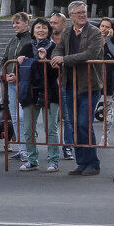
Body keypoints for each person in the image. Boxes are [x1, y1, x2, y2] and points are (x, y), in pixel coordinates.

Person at [50, 0, 104, 176]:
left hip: (89, 85)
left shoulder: (94, 32)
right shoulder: (67, 32)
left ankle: (93, 163)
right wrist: (57, 57)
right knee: (74, 125)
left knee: (83, 124)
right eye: (78, 12)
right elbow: (57, 50)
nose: (82, 15)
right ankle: (81, 163)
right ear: (71, 16)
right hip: (69, 85)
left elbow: (90, 54)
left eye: (84, 12)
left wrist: (64, 60)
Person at [17, 17, 61, 172]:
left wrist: (46, 60)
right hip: (30, 92)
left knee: (51, 128)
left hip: (50, 91)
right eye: (38, 27)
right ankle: (32, 159)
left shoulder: (54, 47)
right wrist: (20, 62)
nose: (41, 30)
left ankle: (53, 160)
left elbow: (55, 73)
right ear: (33, 31)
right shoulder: (27, 47)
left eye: (44, 27)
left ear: (49, 30)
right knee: (29, 128)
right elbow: (20, 72)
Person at [0, 12, 32, 161]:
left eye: (18, 23)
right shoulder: (12, 41)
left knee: (23, 116)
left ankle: (30, 149)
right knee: (15, 117)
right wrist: (4, 74)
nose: (15, 25)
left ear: (26, 23)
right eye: (13, 23)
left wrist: (18, 76)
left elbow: (32, 63)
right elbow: (4, 60)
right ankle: (22, 148)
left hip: (25, 84)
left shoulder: (31, 40)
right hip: (10, 85)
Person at [47, 11, 72, 160]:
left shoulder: (69, 39)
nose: (52, 25)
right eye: (51, 22)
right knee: (51, 119)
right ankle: (52, 149)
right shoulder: (45, 40)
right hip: (49, 84)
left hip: (65, 83)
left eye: (55, 22)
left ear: (64, 24)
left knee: (67, 118)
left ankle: (68, 146)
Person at [98, 17, 114, 122]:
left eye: (107, 27)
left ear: (111, 29)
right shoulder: (94, 40)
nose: (104, 29)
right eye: (102, 26)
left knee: (108, 98)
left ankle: (108, 118)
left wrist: (109, 39)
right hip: (96, 75)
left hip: (109, 74)